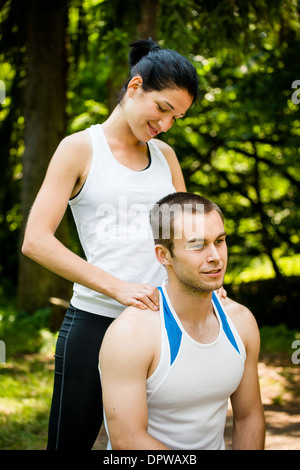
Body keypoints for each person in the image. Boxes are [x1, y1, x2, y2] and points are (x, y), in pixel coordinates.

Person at [21, 39, 200, 450]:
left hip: (161, 325)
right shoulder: (80, 149)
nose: (166, 124)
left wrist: (204, 286)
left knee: (146, 448)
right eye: (163, 109)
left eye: (178, 118)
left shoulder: (166, 156)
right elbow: (36, 240)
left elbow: (184, 238)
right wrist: (117, 287)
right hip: (94, 322)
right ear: (135, 87)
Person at [99, 192, 266, 450]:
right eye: (198, 245)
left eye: (219, 241)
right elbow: (127, 440)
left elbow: (249, 417)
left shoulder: (241, 322)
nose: (215, 257)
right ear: (163, 255)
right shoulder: (131, 334)